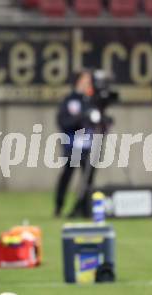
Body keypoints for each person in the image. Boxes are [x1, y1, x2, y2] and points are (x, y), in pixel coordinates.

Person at [54, 70, 100, 218]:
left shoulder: (91, 101)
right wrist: (81, 117)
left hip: (88, 146)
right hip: (73, 145)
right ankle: (59, 206)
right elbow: (64, 122)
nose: (87, 83)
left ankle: (83, 208)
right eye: (84, 80)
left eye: (89, 80)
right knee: (67, 177)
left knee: (88, 180)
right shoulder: (69, 100)